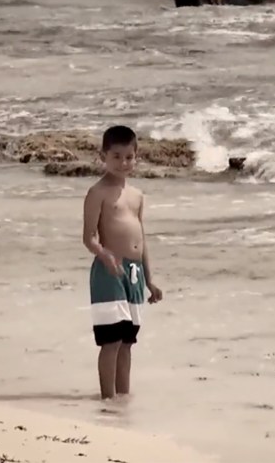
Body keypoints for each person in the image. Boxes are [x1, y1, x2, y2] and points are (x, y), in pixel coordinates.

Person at [82, 125, 164, 399]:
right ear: (103, 156)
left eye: (129, 156)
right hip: (109, 270)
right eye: (116, 156)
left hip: (134, 273)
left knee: (127, 341)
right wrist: (104, 255)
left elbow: (142, 240)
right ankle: (107, 399)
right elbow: (88, 237)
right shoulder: (97, 192)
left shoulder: (137, 196)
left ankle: (122, 399)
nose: (123, 162)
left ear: (136, 156)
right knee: (112, 339)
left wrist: (149, 280)